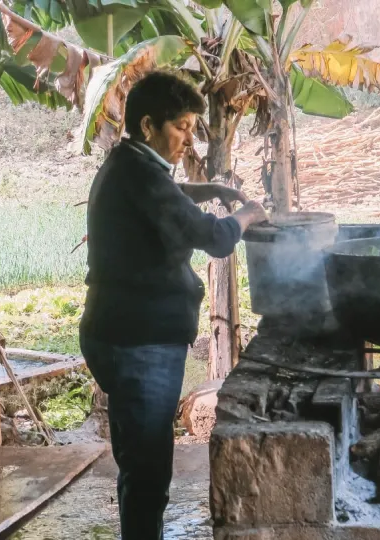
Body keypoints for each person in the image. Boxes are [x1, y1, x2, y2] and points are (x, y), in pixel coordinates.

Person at [79, 71, 268, 539]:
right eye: (181, 126)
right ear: (148, 126)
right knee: (146, 472)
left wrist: (212, 191)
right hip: (139, 342)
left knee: (138, 462)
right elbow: (215, 238)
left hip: (123, 332)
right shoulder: (139, 174)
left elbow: (169, 195)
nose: (189, 138)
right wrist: (246, 214)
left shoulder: (128, 165)